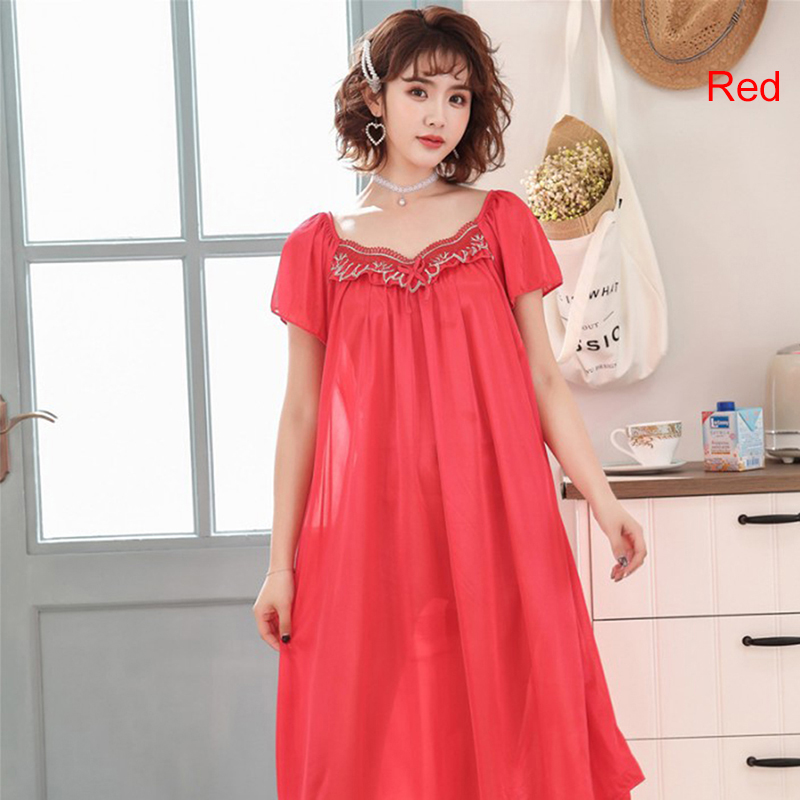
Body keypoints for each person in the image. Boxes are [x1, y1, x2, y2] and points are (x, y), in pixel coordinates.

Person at [253, 6, 647, 799]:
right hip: (368, 531)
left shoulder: (502, 223)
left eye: (459, 97)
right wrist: (278, 566)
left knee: (512, 715)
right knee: (375, 736)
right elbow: (300, 415)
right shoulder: (319, 246)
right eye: (419, 91)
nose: (439, 115)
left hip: (495, 516)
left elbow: (543, 379)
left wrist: (605, 502)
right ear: (374, 98)